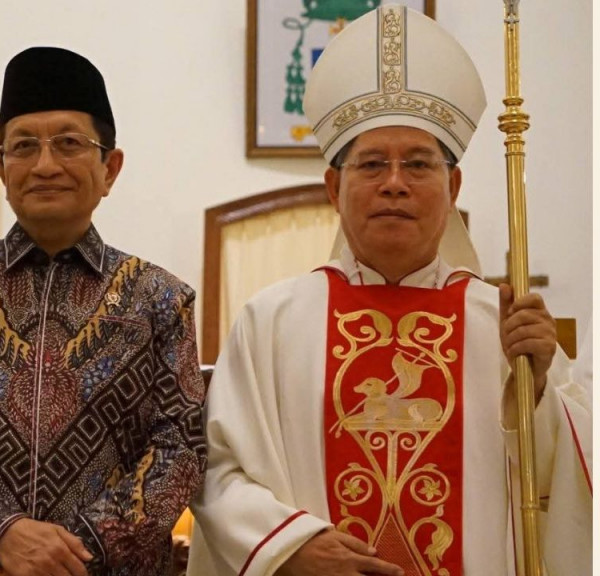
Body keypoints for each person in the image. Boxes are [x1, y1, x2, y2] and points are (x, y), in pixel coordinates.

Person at [187, 5, 591, 576]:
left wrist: (537, 386)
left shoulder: (500, 324)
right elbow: (218, 468)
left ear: (452, 186)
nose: (395, 183)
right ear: (334, 187)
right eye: (372, 164)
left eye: (419, 165)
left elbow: (561, 482)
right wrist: (289, 544)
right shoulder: (269, 321)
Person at [0, 47, 207, 576]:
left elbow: (180, 450)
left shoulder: (161, 300)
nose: (45, 165)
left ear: (110, 168)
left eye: (69, 144)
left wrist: (73, 551)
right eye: (24, 146)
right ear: (1, 168)